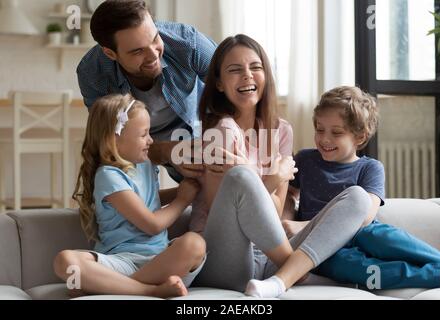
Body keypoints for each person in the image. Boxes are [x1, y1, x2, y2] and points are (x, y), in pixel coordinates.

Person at [189, 34, 373, 299]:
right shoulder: (219, 132)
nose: (247, 76)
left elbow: (272, 214)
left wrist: (266, 182)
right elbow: (227, 207)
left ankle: (282, 278)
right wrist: (274, 177)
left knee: (357, 197)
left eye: (255, 67)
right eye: (234, 70)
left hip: (268, 256)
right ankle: (299, 272)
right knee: (240, 177)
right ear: (218, 83)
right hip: (222, 257)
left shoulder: (281, 131)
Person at [282, 86, 440, 289]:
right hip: (322, 247)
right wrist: (287, 221)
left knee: (382, 237)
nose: (325, 139)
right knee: (356, 267)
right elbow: (290, 194)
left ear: (359, 137)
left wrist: (304, 225)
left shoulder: (370, 167)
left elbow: (366, 215)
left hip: (362, 232)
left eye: (336, 132)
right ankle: (437, 277)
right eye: (319, 129)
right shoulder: (305, 159)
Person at [53, 94, 206, 298]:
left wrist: (180, 191)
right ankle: (149, 290)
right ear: (114, 140)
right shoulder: (108, 175)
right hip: (119, 263)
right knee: (66, 262)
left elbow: (144, 203)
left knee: (195, 244)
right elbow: (152, 224)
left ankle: (113, 287)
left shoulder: (143, 164)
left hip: (160, 262)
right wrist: (182, 200)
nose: (150, 140)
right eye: (144, 135)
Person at [77, 0, 217, 180]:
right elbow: (111, 143)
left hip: (197, 134)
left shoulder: (189, 43)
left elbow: (230, 91)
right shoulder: (92, 74)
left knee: (213, 190)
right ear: (110, 53)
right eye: (137, 51)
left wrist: (223, 137)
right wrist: (165, 150)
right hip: (134, 148)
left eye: (155, 39)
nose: (153, 55)